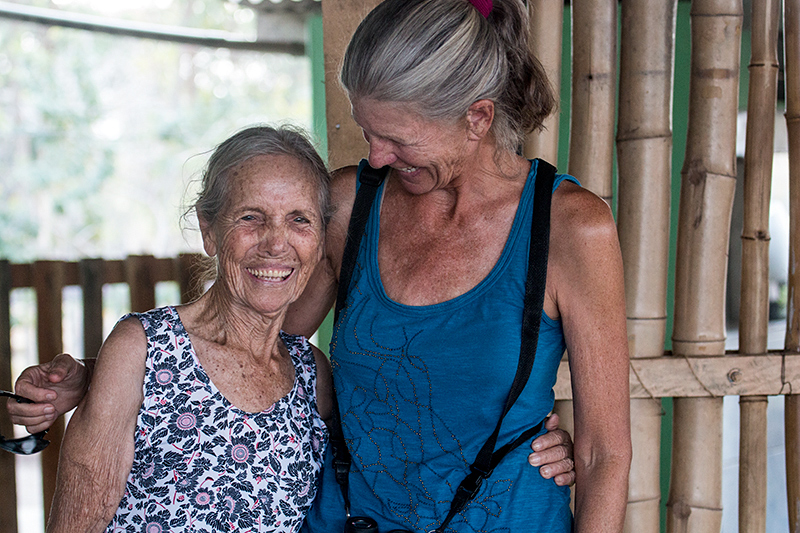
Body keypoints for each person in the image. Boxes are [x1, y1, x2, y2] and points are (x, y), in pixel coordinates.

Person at [10, 0, 625, 531]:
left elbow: (602, 453)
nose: (376, 158)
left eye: (397, 139)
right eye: (366, 133)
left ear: (478, 118)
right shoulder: (354, 206)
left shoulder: (570, 228)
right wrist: (111, 376)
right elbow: (251, 354)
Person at [42, 125, 334, 532]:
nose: (275, 244)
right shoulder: (144, 350)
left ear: (320, 241)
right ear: (209, 230)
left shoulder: (310, 375)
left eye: (299, 220)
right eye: (251, 217)